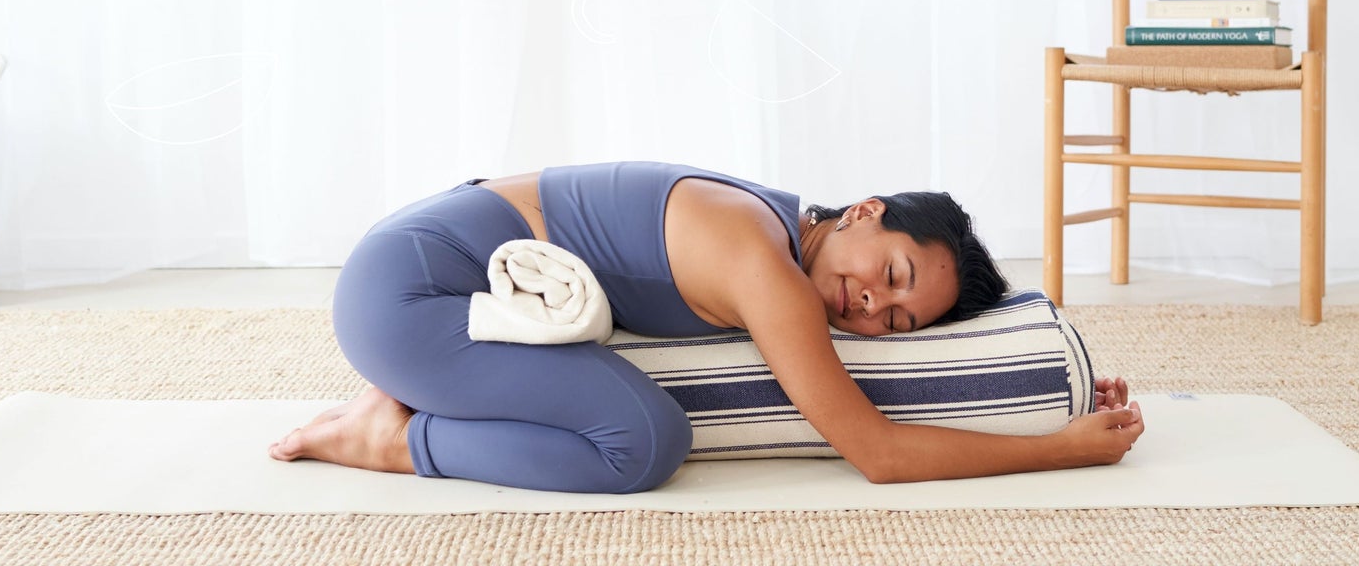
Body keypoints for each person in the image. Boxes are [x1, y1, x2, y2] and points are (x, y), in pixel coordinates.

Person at [269, 161, 1143, 492]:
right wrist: (1061, 448)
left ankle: (410, 394)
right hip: (407, 296)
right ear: (866, 211)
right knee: (640, 442)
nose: (871, 305)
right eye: (890, 273)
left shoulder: (778, 218)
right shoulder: (765, 268)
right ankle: (390, 438)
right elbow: (876, 454)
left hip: (428, 275)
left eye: (899, 318)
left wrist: (1036, 388)